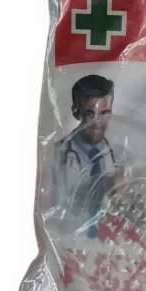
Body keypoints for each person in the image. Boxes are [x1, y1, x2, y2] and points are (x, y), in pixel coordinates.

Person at [53, 75, 123, 237]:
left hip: (111, 242)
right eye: (91, 114)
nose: (97, 124)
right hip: (71, 240)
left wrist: (122, 196)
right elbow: (54, 212)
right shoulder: (56, 155)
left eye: (104, 114)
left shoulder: (120, 155)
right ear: (76, 112)